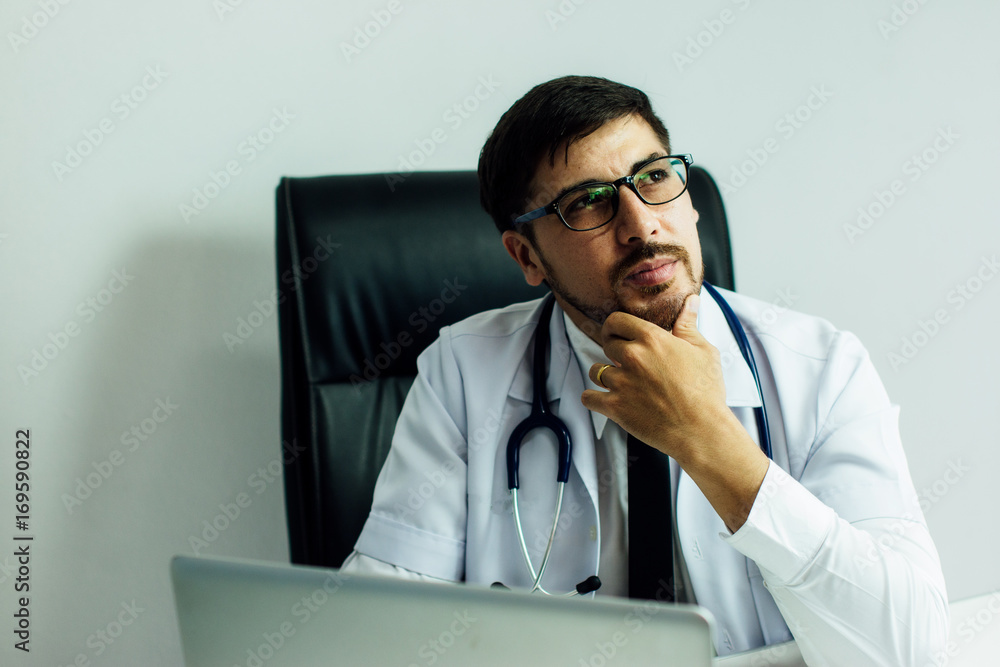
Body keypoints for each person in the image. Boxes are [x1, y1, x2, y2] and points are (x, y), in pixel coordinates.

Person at [341, 75, 949, 664]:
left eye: (654, 177)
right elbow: (375, 639)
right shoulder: (464, 373)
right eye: (588, 203)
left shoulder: (821, 369)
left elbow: (909, 651)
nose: (642, 226)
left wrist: (709, 441)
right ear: (527, 255)